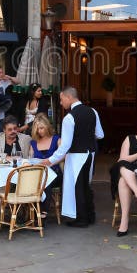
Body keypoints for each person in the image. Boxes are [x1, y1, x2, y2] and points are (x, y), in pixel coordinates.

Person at [45, 87, 104, 227]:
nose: (60, 102)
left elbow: (65, 145)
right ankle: (90, 216)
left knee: (77, 186)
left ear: (68, 97)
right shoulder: (93, 112)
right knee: (86, 185)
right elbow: (100, 134)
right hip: (91, 153)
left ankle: (81, 219)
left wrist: (50, 160)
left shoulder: (69, 118)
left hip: (76, 155)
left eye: (61, 99)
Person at [0, 117, 33, 234]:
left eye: (15, 128)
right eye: (10, 129)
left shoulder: (25, 139)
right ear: (4, 130)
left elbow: (28, 157)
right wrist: (7, 157)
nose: (13, 131)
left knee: (4, 187)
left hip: (16, 176)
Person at [29, 113, 62, 217]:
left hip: (55, 173)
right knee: (28, 181)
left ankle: (42, 212)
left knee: (45, 179)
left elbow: (63, 156)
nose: (39, 131)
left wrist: (49, 162)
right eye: (37, 129)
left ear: (47, 126)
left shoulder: (57, 139)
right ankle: (32, 210)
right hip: (38, 174)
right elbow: (31, 159)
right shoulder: (33, 143)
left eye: (42, 128)